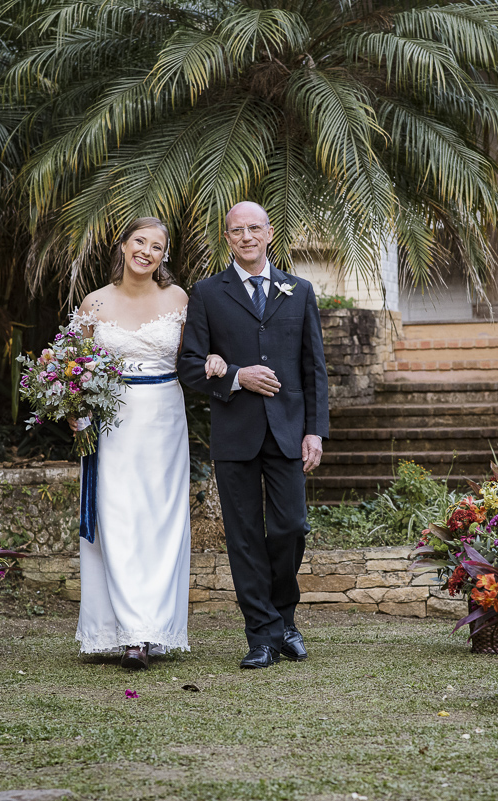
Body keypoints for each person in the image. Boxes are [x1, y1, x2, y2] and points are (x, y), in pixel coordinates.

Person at [177, 201, 329, 670]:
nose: (246, 236)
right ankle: (261, 635)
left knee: (291, 528)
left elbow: (314, 369)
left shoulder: (299, 291)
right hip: (235, 432)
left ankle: (283, 618)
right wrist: (236, 376)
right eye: (236, 230)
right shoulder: (206, 293)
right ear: (227, 239)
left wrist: (315, 432)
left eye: (254, 228)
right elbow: (188, 367)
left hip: (288, 432)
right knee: (243, 537)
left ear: (268, 234)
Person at [73, 216, 194, 670]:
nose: (146, 251)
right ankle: (125, 633)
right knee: (117, 519)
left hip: (165, 417)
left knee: (160, 520)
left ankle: (150, 629)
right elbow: (73, 368)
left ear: (164, 256)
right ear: (123, 246)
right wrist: (74, 412)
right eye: (139, 241)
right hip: (112, 423)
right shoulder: (94, 302)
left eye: (157, 246)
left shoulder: (178, 299)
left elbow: (195, 358)